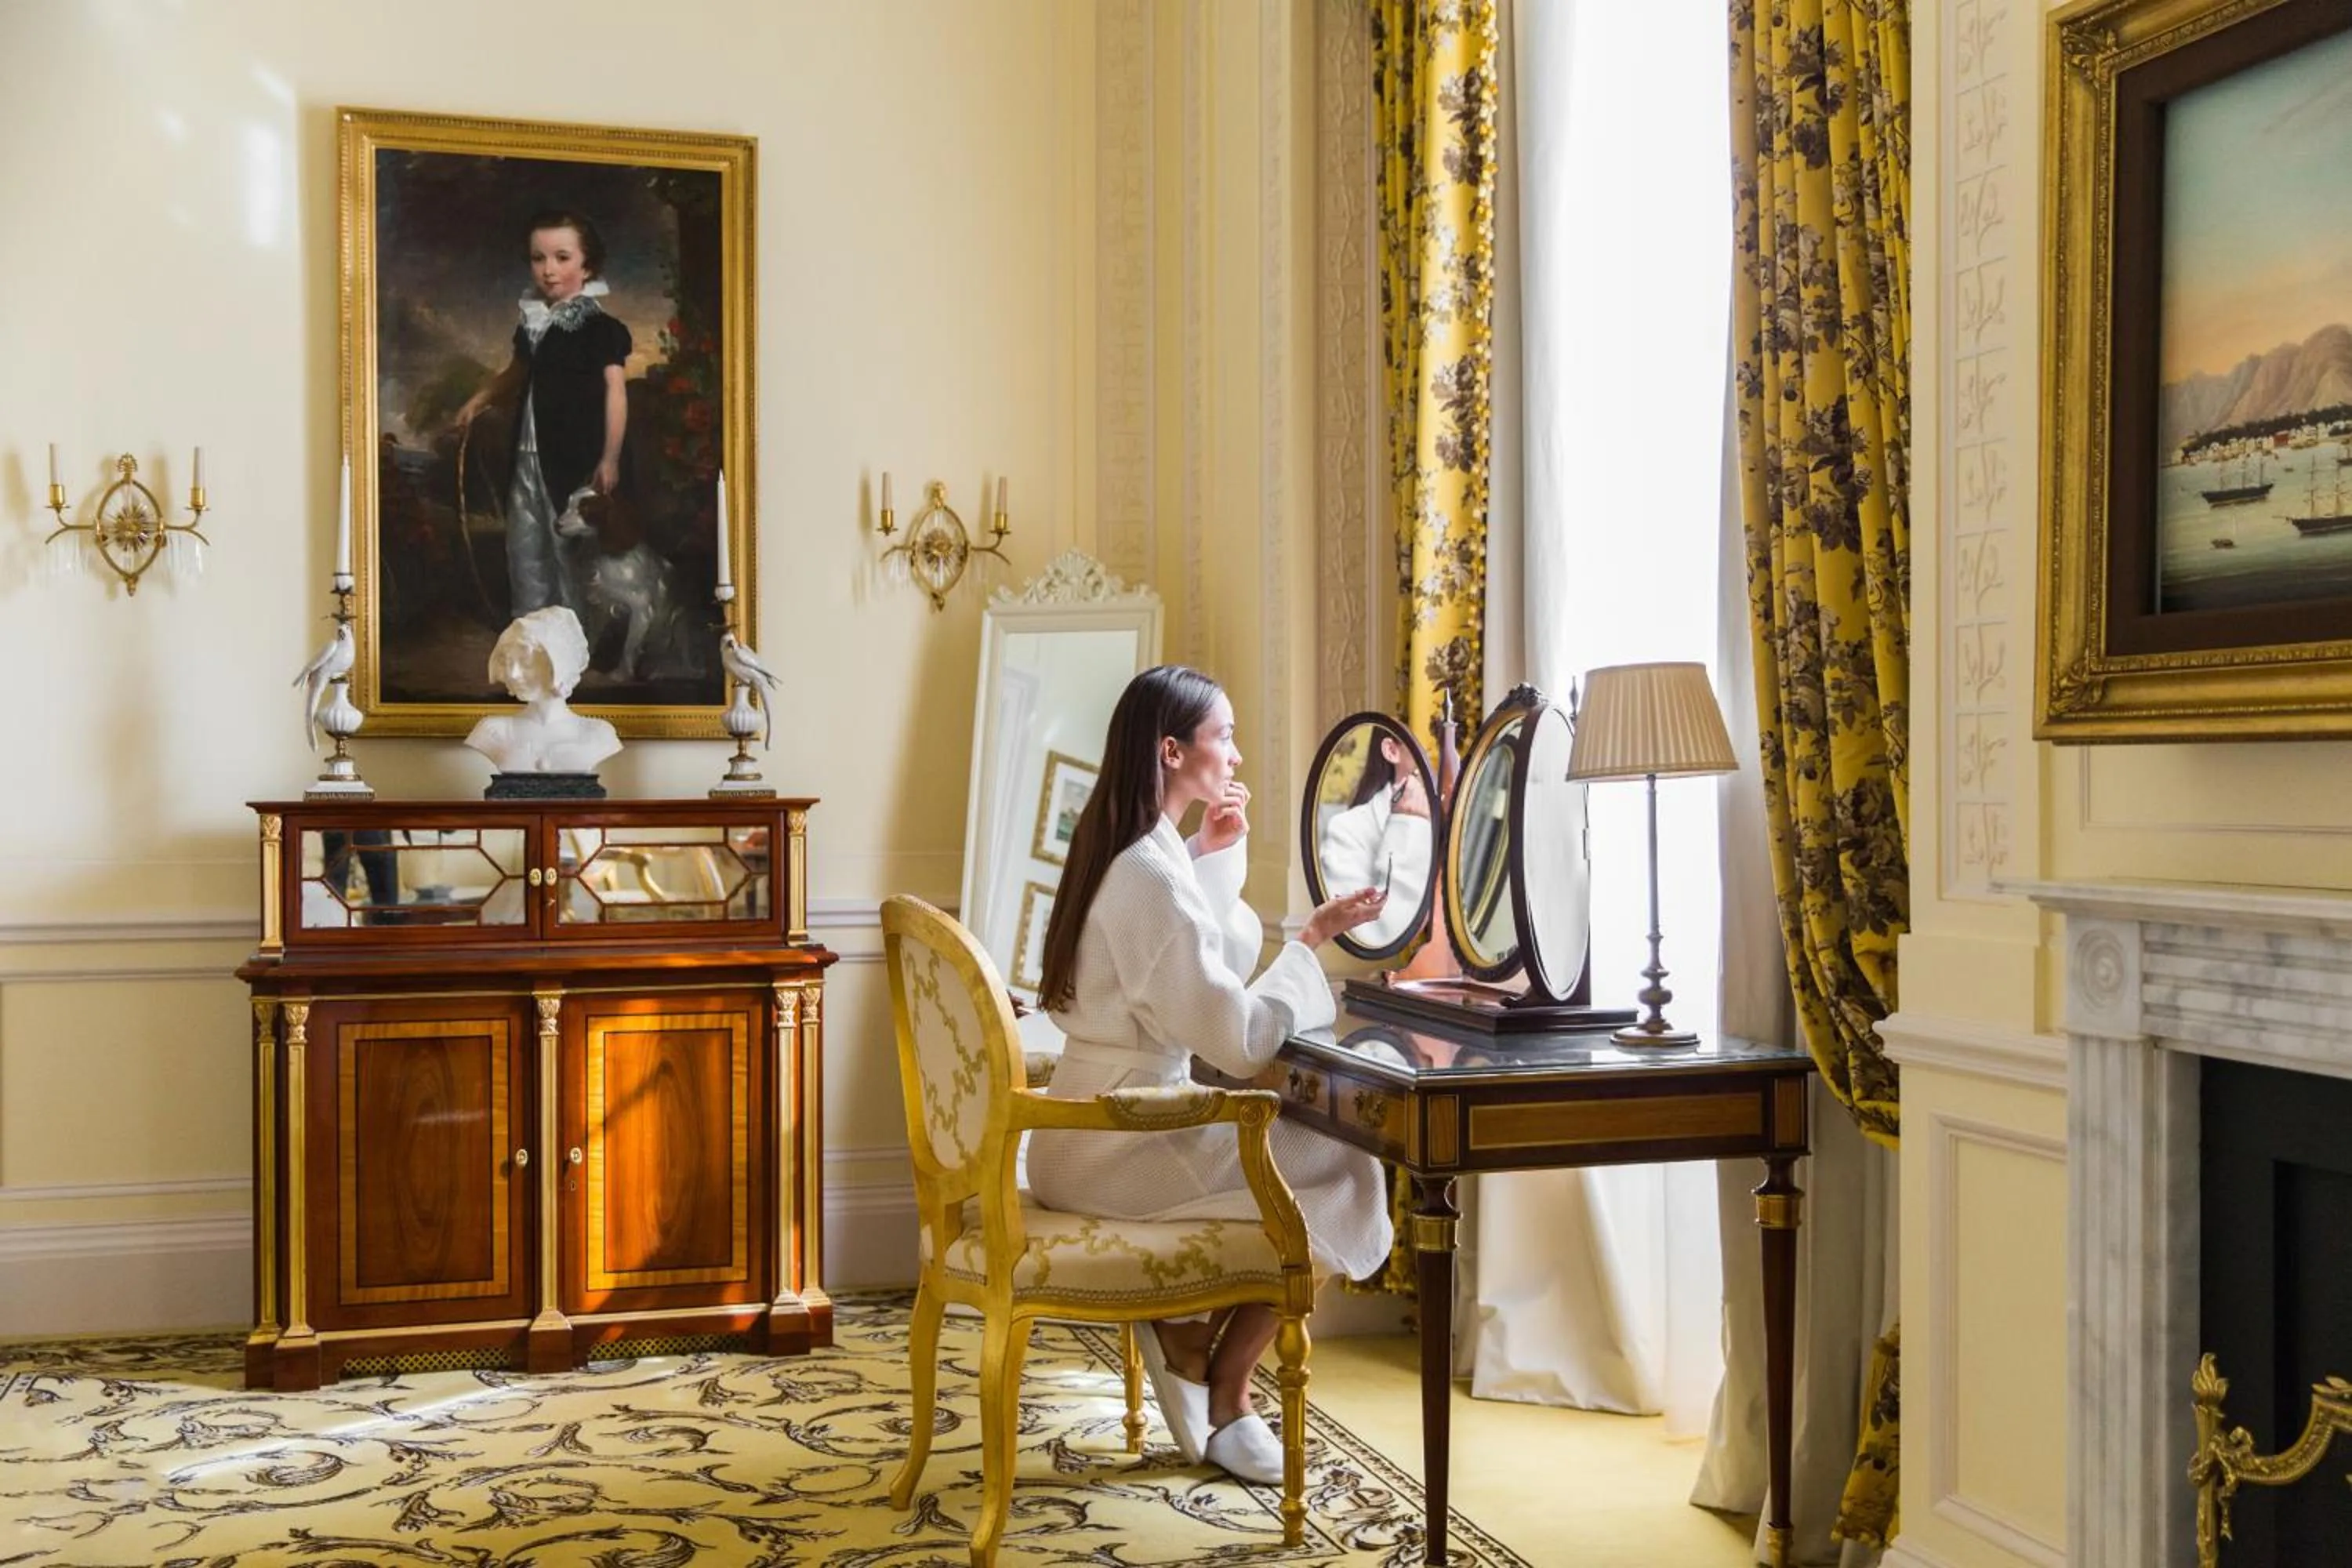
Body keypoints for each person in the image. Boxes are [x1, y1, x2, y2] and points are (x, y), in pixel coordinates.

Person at [1025, 665, 1394, 1485]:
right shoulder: (1146, 875)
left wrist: (1212, 856)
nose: (1234, 752)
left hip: (1088, 1125)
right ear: (1173, 749)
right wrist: (1310, 943)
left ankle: (1191, 1333)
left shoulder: (1135, 853)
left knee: (1301, 1157)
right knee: (1344, 1164)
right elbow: (1235, 1036)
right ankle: (1225, 1386)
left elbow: (1183, 971)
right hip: (1119, 1142)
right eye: (1222, 734)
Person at [456, 209, 632, 621]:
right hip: (528, 454)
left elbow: (616, 393)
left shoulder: (601, 328)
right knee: (526, 543)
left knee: (568, 549)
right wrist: (479, 399)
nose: (549, 270)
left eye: (562, 258)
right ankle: (531, 636)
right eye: (539, 259)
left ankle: (574, 644)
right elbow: (517, 373)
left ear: (588, 266)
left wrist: (609, 457)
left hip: (574, 455)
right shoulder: (533, 323)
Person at [464, 606, 622, 777]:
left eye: (525, 662)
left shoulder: (598, 734)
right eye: (509, 663)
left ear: (558, 665)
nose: (513, 674)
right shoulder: (492, 732)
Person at [1315, 731, 1433, 949]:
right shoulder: (1346, 829)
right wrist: (1406, 824)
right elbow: (1373, 933)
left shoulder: (1446, 823)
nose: (1432, 754)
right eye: (1422, 744)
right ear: (1391, 750)